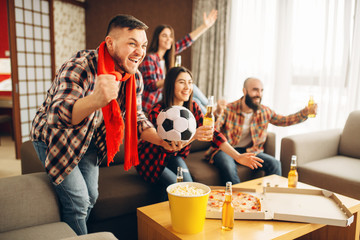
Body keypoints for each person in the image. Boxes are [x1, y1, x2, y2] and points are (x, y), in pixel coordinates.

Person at [30, 14, 178, 235]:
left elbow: (136, 117)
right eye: (132, 43)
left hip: (90, 140)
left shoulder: (133, 77)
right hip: (55, 136)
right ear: (110, 43)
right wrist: (95, 100)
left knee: (92, 196)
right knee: (79, 200)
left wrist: (161, 140)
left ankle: (69, 230)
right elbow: (56, 115)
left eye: (144, 45)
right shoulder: (80, 65)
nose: (140, 52)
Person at [136, 67, 262, 200]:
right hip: (151, 160)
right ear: (170, 84)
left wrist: (238, 156)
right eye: (181, 82)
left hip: (173, 157)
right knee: (178, 189)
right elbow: (171, 146)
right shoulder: (157, 111)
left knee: (189, 188)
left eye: (190, 83)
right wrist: (194, 135)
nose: (187, 87)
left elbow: (214, 134)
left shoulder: (193, 107)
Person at [205, 77, 318, 185]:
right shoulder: (229, 109)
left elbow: (284, 120)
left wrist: (305, 112)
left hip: (251, 150)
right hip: (227, 150)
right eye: (255, 90)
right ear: (244, 91)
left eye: (261, 90)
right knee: (228, 166)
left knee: (275, 164)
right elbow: (214, 130)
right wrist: (218, 112)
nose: (259, 94)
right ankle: (238, 199)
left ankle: (271, 197)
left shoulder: (264, 111)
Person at [139, 9, 218, 114]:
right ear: (157, 38)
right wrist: (172, 78)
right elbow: (150, 85)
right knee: (190, 86)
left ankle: (211, 113)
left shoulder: (168, 57)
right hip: (153, 101)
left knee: (195, 100)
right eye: (164, 35)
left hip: (165, 96)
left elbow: (186, 41)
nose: (168, 39)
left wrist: (205, 26)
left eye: (170, 36)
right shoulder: (150, 58)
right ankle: (212, 107)